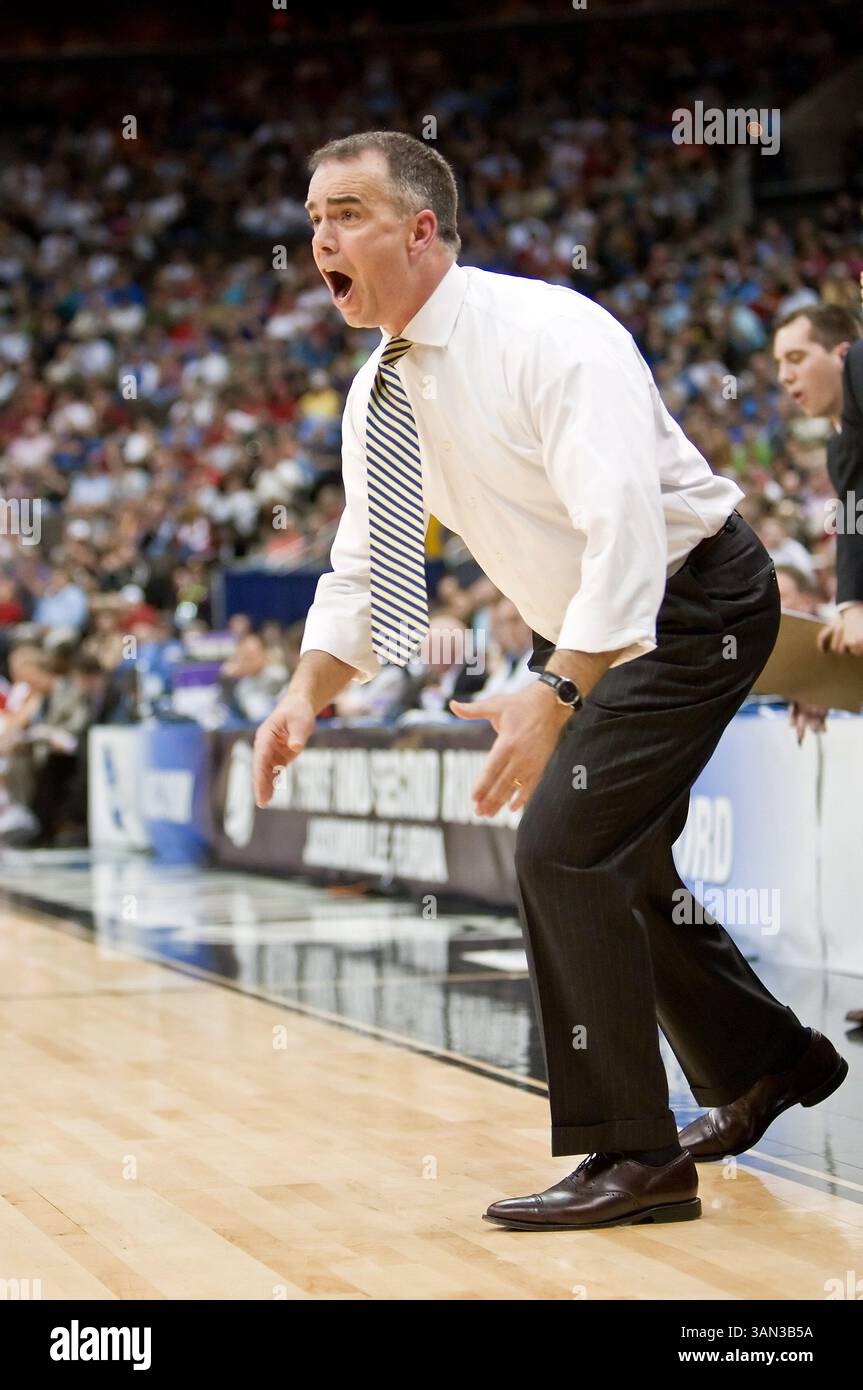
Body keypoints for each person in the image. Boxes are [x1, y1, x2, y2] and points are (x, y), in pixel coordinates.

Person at [253, 131, 847, 1231]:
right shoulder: (378, 394)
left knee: (561, 849)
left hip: (692, 603)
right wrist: (302, 694)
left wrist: (555, 690)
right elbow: (371, 576)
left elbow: (622, 531)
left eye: (344, 215)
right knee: (614, 858)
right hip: (592, 625)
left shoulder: (549, 334)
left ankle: (636, 1154)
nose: (317, 240)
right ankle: (769, 1059)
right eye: (311, 219)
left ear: (421, 230)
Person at [774, 303, 863, 1027]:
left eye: (796, 358)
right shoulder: (843, 450)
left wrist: (855, 600)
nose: (783, 377)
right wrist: (820, 680)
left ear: (841, 352)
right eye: (775, 365)